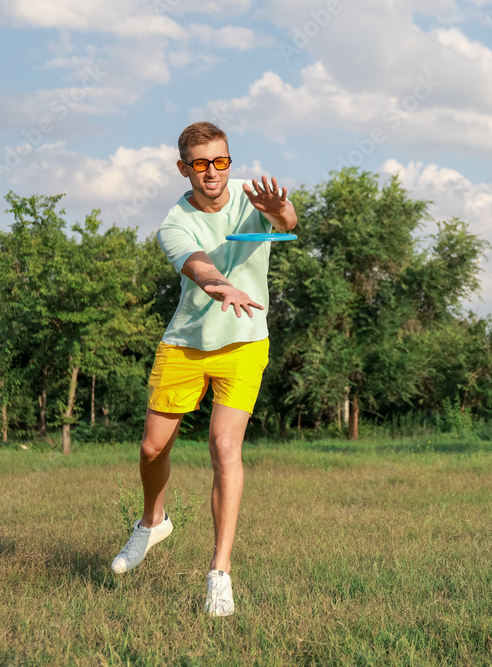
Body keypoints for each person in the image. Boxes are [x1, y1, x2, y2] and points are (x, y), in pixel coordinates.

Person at [110, 121, 296, 617]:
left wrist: (281, 212)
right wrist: (220, 285)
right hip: (188, 341)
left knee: (224, 446)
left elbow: (288, 222)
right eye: (199, 164)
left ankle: (219, 572)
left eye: (221, 161)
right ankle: (153, 522)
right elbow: (197, 264)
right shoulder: (174, 222)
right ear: (183, 168)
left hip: (245, 341)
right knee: (152, 447)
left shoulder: (250, 197)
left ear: (229, 161)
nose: (212, 172)